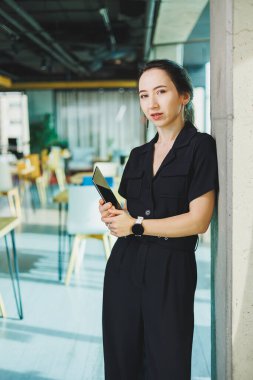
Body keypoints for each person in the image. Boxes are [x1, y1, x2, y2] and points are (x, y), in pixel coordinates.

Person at [99, 59, 219, 380]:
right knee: (121, 362)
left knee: (168, 364)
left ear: (184, 96)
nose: (151, 103)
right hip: (124, 267)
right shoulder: (138, 155)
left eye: (161, 91)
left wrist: (136, 225)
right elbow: (127, 217)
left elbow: (199, 221)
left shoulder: (201, 147)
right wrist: (114, 218)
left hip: (171, 271)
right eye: (143, 95)